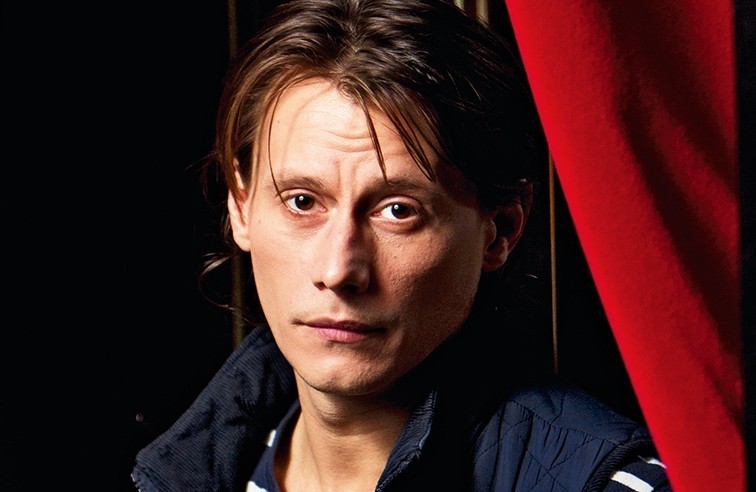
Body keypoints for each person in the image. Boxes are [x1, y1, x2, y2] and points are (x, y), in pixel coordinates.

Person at [132, 0, 671, 490]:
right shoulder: (189, 474)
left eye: (397, 211)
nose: (339, 269)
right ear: (240, 206)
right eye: (301, 201)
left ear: (500, 229)